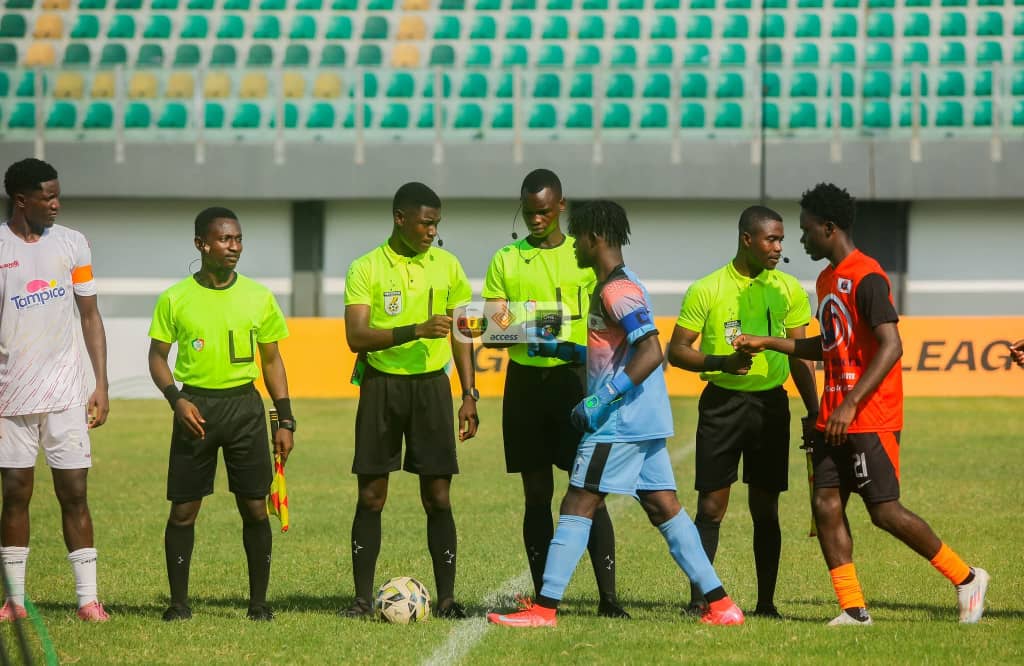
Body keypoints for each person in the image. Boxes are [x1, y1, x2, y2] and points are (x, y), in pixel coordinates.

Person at [734, 182, 989, 625]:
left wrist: (851, 404)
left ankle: (966, 578)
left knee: (884, 511)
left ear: (828, 228)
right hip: (835, 416)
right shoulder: (826, 278)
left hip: (869, 415)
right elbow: (831, 346)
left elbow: (891, 346)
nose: (801, 239)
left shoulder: (867, 275)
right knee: (826, 504)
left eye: (806, 230)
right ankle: (853, 608)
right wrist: (771, 342)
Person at [487, 200, 744, 628]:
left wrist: (601, 398)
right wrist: (568, 349)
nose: (572, 247)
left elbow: (650, 350)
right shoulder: (615, 284)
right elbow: (616, 349)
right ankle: (721, 606)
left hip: (620, 422)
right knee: (665, 507)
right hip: (645, 420)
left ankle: (544, 610)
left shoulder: (616, 290)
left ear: (594, 238)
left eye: (578, 238)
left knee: (577, 501)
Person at [480, 169, 626, 618]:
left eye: (543, 211)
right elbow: (491, 326)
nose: (536, 220)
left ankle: (609, 599)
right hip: (525, 384)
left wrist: (546, 332)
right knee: (536, 493)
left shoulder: (583, 256)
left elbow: (604, 317)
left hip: (575, 383)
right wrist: (534, 327)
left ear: (561, 206)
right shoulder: (506, 258)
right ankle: (544, 598)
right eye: (528, 213)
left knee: (588, 490)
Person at [666, 205, 817, 617]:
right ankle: (700, 602)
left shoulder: (788, 289)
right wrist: (722, 363)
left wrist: (815, 410)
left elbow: (803, 355)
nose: (779, 247)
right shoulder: (707, 288)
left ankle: (766, 603)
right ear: (746, 239)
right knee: (711, 508)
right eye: (771, 239)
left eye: (781, 239)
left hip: (771, 407)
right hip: (722, 406)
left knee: (765, 509)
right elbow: (676, 350)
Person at [148, 206, 295, 622]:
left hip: (245, 408)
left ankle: (259, 604)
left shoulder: (258, 296)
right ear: (201, 244)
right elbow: (157, 357)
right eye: (225, 239)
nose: (234, 247)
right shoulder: (175, 298)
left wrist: (285, 419)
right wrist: (176, 399)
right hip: (196, 409)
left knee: (253, 508)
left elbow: (272, 361)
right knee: (183, 511)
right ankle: (178, 605)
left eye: (238, 239)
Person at [342, 182, 478, 619]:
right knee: (371, 497)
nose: (432, 231)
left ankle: (448, 599)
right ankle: (363, 600)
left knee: (438, 497)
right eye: (425, 222)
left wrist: (469, 393)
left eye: (437, 224)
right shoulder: (366, 267)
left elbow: (462, 332)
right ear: (400, 218)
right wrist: (414, 330)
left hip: (432, 388)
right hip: (381, 385)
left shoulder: (449, 265)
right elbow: (355, 336)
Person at [0, 158, 110, 623]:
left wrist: (100, 382)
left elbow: (89, 315)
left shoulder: (73, 244)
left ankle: (88, 599)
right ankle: (14, 601)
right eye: (48, 197)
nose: (56, 204)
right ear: (21, 200)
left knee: (75, 493)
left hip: (66, 394)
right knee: (15, 494)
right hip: (9, 398)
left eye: (57, 194)